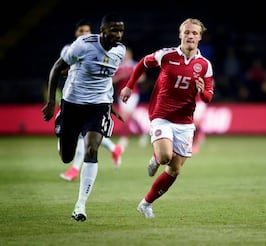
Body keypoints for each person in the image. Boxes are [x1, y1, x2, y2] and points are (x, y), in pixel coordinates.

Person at [120, 18, 214, 218]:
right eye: (187, 32)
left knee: (175, 169)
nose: (190, 36)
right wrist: (129, 85)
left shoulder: (205, 65)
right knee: (164, 157)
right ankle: (156, 157)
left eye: (195, 33)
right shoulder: (166, 55)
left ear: (200, 37)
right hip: (161, 115)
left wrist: (202, 91)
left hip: (185, 121)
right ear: (180, 35)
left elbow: (208, 97)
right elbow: (142, 64)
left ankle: (146, 204)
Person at [42, 13, 126, 222]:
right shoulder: (84, 44)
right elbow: (57, 67)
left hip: (98, 106)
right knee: (67, 157)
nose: (118, 34)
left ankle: (80, 205)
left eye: (121, 30)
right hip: (72, 104)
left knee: (91, 148)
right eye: (113, 30)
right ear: (103, 30)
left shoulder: (120, 51)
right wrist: (52, 101)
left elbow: (106, 79)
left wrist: (111, 104)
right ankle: (63, 130)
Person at [58, 19, 122, 182]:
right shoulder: (70, 49)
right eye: (81, 31)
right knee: (69, 147)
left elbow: (106, 77)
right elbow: (61, 70)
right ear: (76, 33)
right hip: (72, 99)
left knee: (87, 140)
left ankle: (74, 170)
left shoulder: (110, 49)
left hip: (95, 102)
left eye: (87, 30)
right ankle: (114, 148)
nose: (84, 33)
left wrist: (109, 103)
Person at [112, 47, 148, 151]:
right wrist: (121, 77)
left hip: (133, 94)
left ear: (130, 55)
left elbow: (142, 78)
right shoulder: (118, 66)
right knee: (128, 116)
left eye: (126, 54)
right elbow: (112, 80)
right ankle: (143, 133)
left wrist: (133, 77)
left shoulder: (134, 65)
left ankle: (124, 138)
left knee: (126, 115)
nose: (125, 56)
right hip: (121, 94)